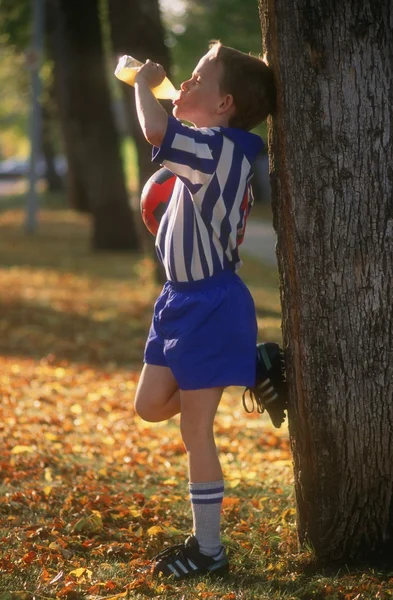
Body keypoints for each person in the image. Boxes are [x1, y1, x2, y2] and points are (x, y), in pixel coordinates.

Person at [133, 40, 276, 580]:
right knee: (149, 406)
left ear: (225, 104)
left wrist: (144, 86)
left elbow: (154, 133)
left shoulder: (220, 149)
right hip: (177, 300)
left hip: (213, 302)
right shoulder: (208, 146)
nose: (184, 84)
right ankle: (251, 364)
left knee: (196, 429)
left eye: (197, 78)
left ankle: (208, 549)